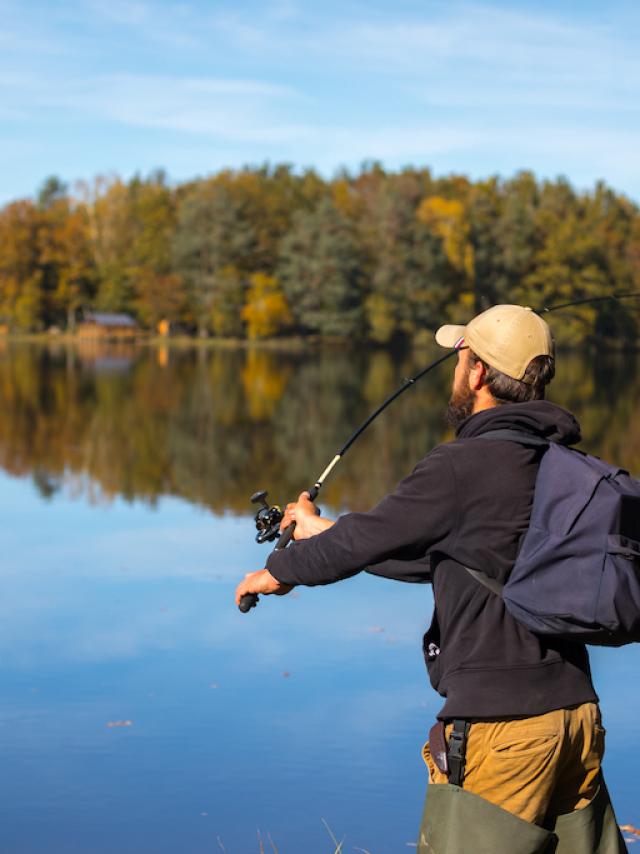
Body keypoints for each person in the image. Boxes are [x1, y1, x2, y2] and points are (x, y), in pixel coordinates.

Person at [235, 305, 626, 853]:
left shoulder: (459, 467)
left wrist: (274, 573)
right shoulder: (561, 466)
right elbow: (435, 555)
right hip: (577, 721)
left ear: (479, 373)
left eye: (461, 356)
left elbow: (361, 545)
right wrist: (320, 530)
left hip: (504, 728)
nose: (456, 368)